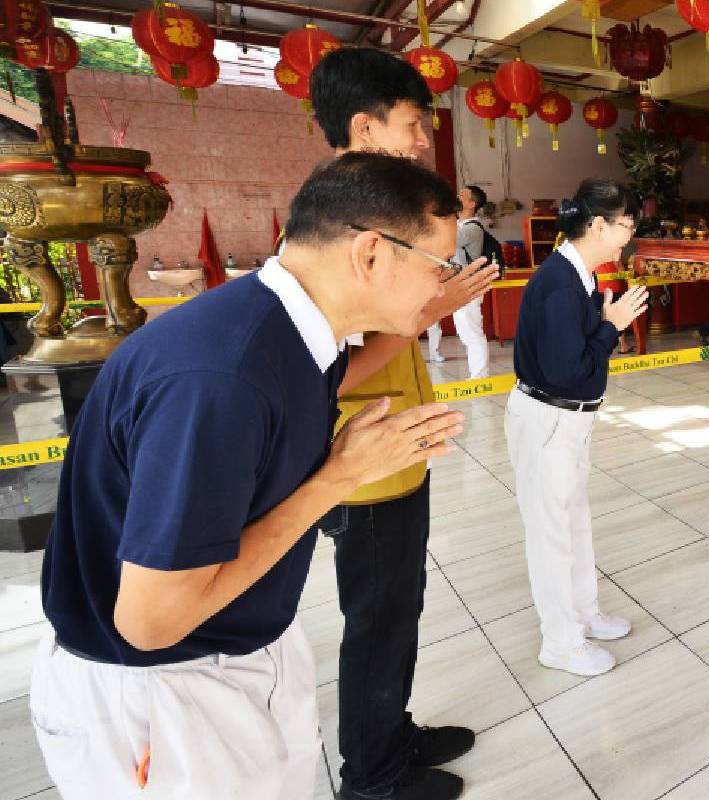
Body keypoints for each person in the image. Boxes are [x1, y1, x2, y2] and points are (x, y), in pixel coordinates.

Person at [30, 153, 465, 799]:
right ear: (371, 253)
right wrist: (340, 477)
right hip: (164, 692)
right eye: (439, 264)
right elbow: (151, 623)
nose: (444, 284)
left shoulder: (294, 332)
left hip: (240, 644)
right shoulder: (219, 378)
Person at [309, 48, 498, 800]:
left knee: (399, 605)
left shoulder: (378, 214)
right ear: (364, 127)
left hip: (397, 449)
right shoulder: (337, 227)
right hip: (364, 460)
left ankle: (393, 733)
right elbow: (331, 372)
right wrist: (432, 310)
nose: (423, 142)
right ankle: (372, 778)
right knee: (378, 616)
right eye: (413, 124)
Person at [506, 179, 649, 677]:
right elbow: (568, 369)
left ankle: (584, 614)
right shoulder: (559, 285)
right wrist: (611, 326)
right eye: (626, 224)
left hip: (569, 420)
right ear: (598, 225)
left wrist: (604, 320)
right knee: (551, 534)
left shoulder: (579, 275)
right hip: (548, 418)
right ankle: (560, 642)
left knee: (574, 523)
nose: (630, 234)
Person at [452, 184, 492, 379]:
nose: (457, 196)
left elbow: (449, 240)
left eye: (461, 195)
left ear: (471, 204)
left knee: (472, 331)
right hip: (461, 285)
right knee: (466, 332)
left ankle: (479, 376)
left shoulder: (472, 228)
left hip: (469, 286)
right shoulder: (460, 225)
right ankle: (476, 374)